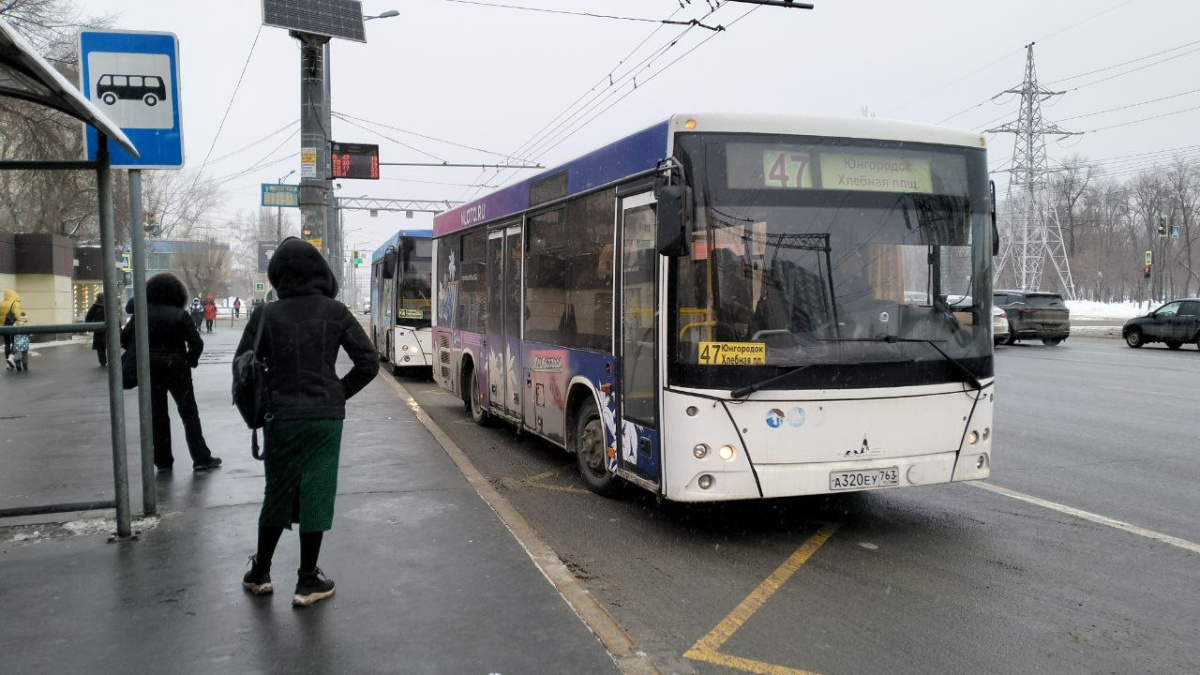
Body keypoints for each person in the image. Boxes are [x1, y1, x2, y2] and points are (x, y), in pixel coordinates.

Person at [238, 238, 379, 607]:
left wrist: (270, 396)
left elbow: (243, 367)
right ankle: (307, 581)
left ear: (278, 275)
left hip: (279, 417)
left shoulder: (265, 314)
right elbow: (368, 363)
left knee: (278, 491)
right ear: (320, 272)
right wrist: (336, 394)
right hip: (323, 421)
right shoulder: (335, 312)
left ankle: (261, 572)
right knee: (317, 490)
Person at [121, 273, 222, 473]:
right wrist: (189, 360)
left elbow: (124, 339)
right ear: (178, 293)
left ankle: (163, 460)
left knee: (158, 415)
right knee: (189, 414)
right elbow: (196, 343)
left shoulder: (142, 315)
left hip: (149, 369)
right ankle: (200, 457)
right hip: (177, 370)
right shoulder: (180, 314)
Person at [84, 292, 107, 367]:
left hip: (98, 330)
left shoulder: (94, 307)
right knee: (110, 346)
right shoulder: (109, 306)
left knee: (100, 348)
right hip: (108, 330)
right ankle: (111, 361)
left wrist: (89, 327)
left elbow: (88, 318)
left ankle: (103, 361)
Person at [2, 288, 20, 368]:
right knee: (15, 343)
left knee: (7, 344)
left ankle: (7, 363)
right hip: (13, 326)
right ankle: (11, 358)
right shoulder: (15, 303)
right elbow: (18, 316)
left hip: (4, 326)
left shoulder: (1, 303)